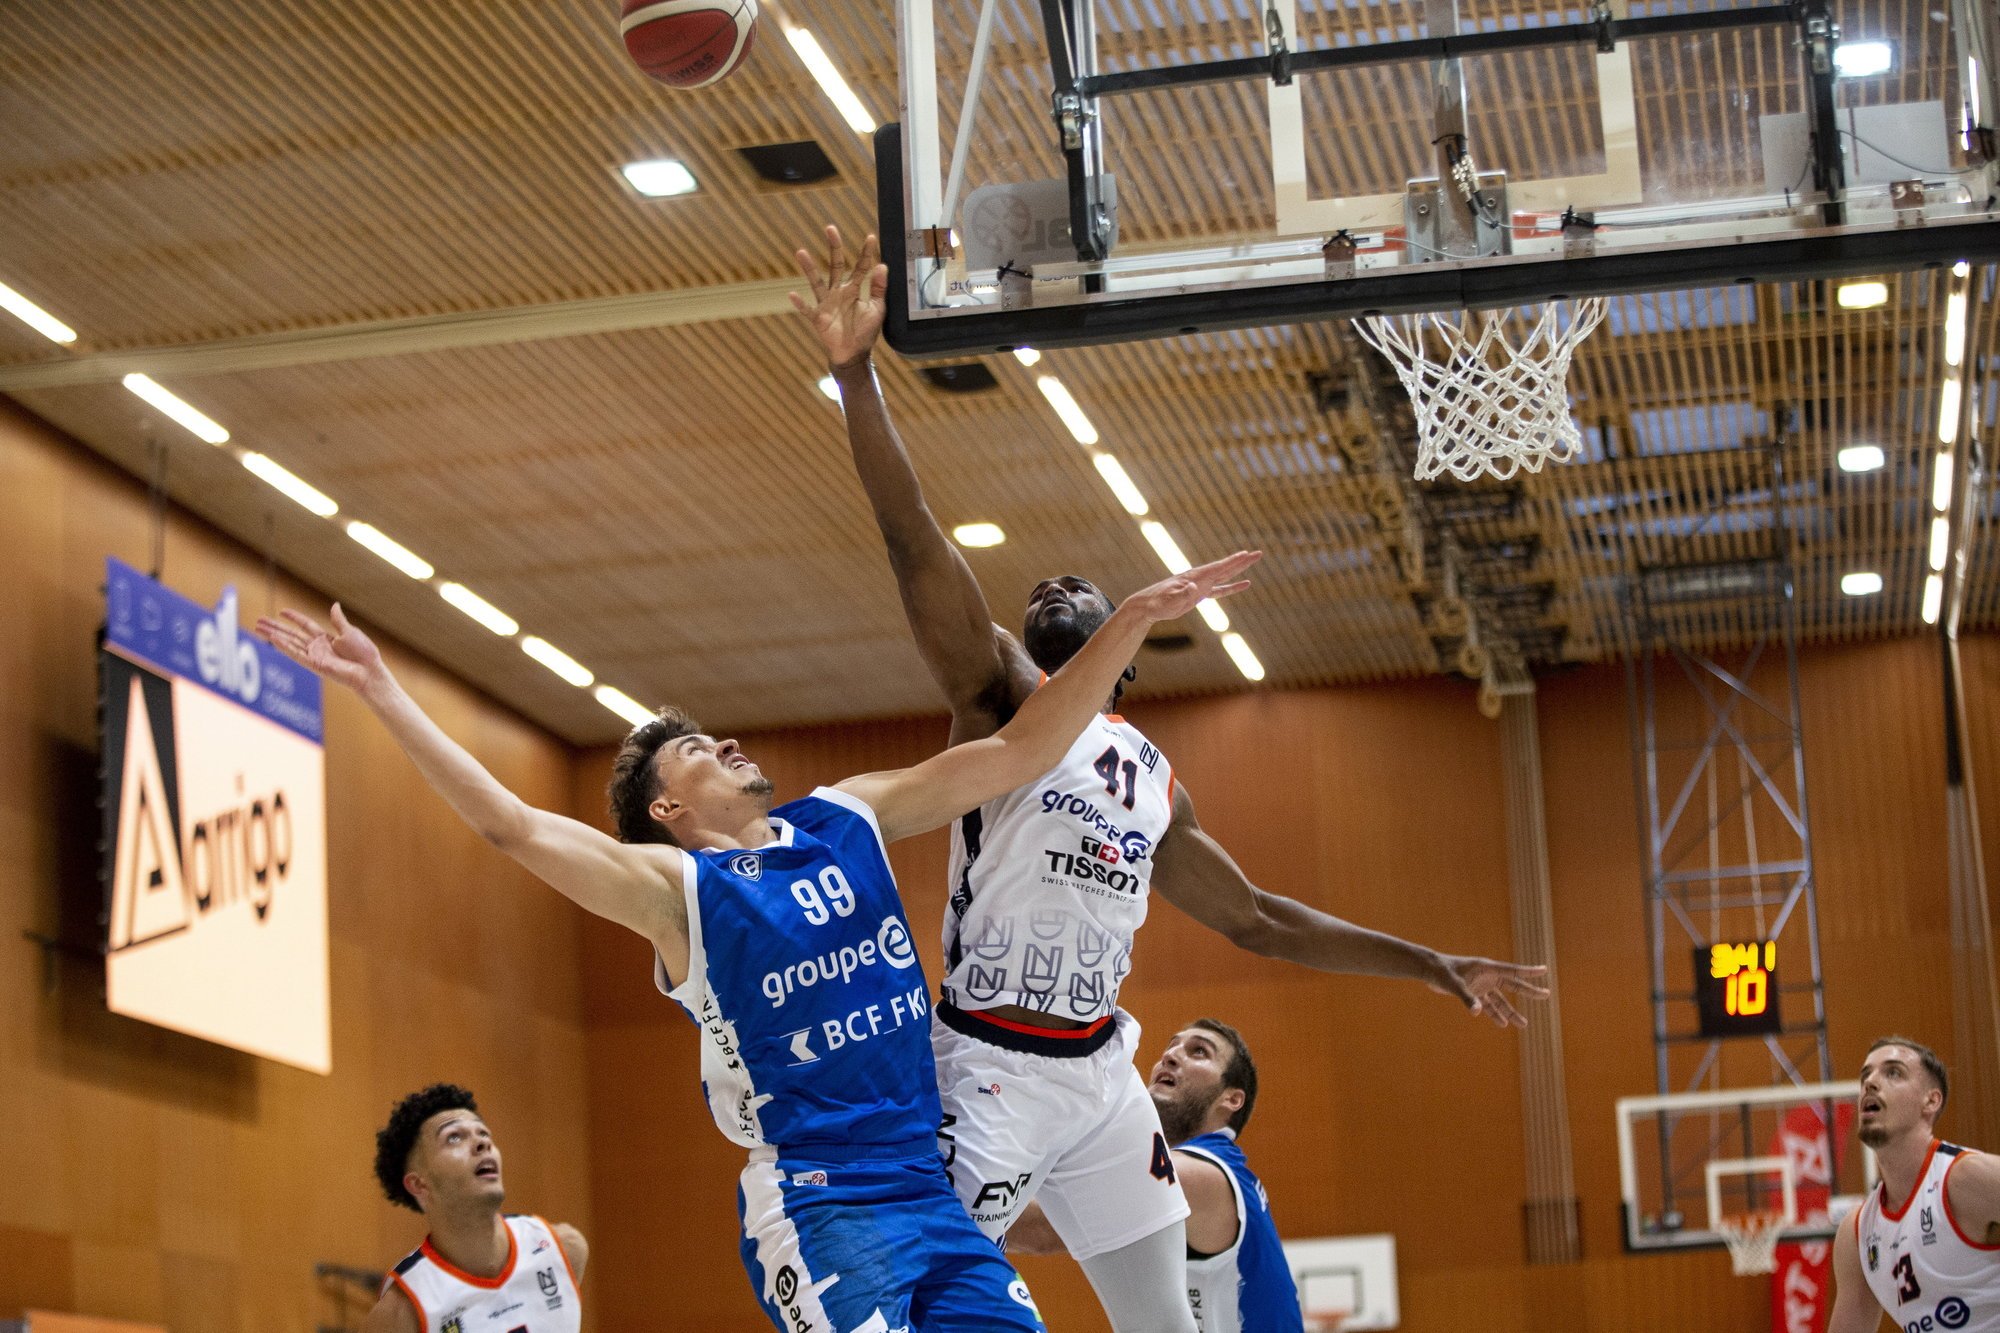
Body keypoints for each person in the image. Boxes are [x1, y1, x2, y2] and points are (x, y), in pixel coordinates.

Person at [791, 224, 1549, 1333]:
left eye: (1081, 588)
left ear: (1125, 656)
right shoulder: (1003, 700)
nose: (1053, 583)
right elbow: (914, 544)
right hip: (986, 1068)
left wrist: (1432, 963)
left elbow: (1259, 920)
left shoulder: (1150, 776)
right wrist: (854, 376)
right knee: (908, 1307)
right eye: (1042, 588)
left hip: (1099, 1078)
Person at [257, 550, 1254, 1333]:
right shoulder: (675, 889)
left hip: (922, 1186)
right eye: (698, 750)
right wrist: (384, 693)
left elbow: (1018, 750)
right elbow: (513, 827)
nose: (728, 745)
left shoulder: (847, 815)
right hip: (820, 1203)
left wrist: (1128, 622)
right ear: (665, 806)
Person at [1010, 1020, 1304, 1333]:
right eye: (1171, 1046)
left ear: (1231, 1099)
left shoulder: (1203, 1176)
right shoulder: (1219, 1175)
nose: (1171, 1056)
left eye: (1199, 1052)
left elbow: (1038, 1230)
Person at [362, 1083, 588, 1333]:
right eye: (454, 1137)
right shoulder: (401, 1313)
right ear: (419, 1185)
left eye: (484, 1133)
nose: (482, 1144)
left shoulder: (565, 1249)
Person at [1829, 1037, 2000, 1333]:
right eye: (1865, 1075)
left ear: (1931, 1101)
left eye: (1893, 1072)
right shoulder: (1856, 1233)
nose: (1870, 1082)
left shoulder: (1965, 1178)